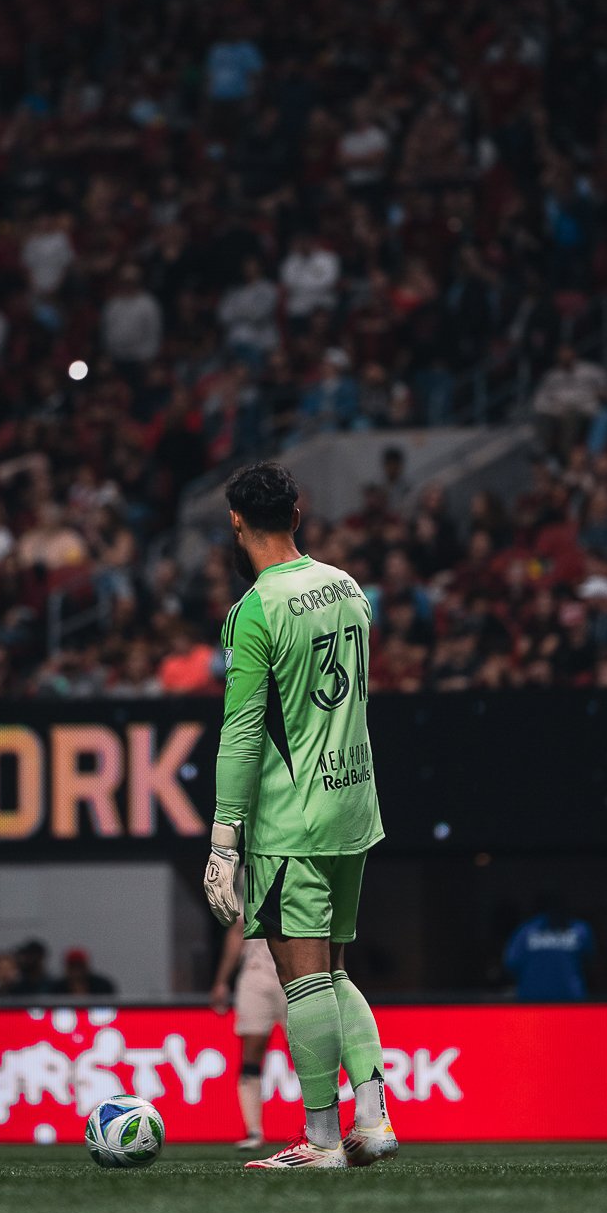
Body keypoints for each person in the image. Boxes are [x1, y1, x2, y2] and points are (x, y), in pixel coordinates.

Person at [203, 460, 395, 1171]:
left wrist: (224, 839)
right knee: (335, 972)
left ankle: (322, 1141)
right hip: (354, 803)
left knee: (303, 979)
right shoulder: (348, 587)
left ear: (236, 523)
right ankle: (372, 1121)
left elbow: (242, 732)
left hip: (293, 819)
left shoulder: (256, 609)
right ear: (297, 513)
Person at [211, 913, 287, 1150]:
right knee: (251, 1055)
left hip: (294, 974)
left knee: (306, 1053)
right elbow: (237, 932)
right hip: (256, 973)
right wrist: (222, 981)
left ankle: (320, 1128)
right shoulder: (246, 891)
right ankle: (254, 1130)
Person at [504, 898, 595, 1002]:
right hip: (533, 1001)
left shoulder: (580, 929)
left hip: (570, 1001)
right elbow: (511, 964)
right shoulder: (526, 931)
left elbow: (589, 962)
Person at [52, 948, 117, 996]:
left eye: (79, 966)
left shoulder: (102, 986)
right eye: (73, 966)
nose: (76, 971)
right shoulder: (57, 988)